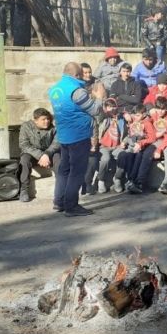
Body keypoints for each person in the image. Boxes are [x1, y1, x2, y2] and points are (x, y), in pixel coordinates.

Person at [48, 62, 106, 217]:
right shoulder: (77, 91)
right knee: (77, 171)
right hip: (78, 136)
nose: (84, 77)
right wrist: (99, 98)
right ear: (76, 75)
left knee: (64, 170)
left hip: (64, 135)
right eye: (81, 74)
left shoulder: (55, 89)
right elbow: (94, 110)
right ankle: (71, 206)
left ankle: (59, 202)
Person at [18, 108, 60, 202]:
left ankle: (60, 191)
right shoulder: (26, 127)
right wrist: (41, 155)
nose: (47, 121)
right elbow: (24, 145)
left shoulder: (54, 127)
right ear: (35, 120)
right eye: (43, 119)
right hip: (32, 153)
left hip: (49, 153)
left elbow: (56, 143)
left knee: (58, 159)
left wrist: (47, 154)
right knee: (24, 160)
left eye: (48, 119)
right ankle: (24, 189)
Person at [116, 104, 156, 194]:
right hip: (133, 146)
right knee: (128, 156)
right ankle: (130, 181)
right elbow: (130, 135)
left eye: (138, 115)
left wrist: (141, 143)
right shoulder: (134, 123)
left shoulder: (147, 123)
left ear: (144, 114)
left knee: (138, 156)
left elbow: (152, 138)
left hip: (144, 146)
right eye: (135, 115)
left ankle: (138, 183)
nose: (136, 117)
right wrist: (125, 141)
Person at [94, 98, 127, 194]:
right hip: (103, 146)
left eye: (113, 106)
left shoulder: (121, 119)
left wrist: (124, 142)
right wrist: (105, 110)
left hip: (117, 146)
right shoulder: (103, 117)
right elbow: (100, 116)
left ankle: (117, 178)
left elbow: (126, 133)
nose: (111, 109)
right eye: (108, 107)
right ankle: (101, 180)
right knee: (105, 159)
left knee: (123, 156)